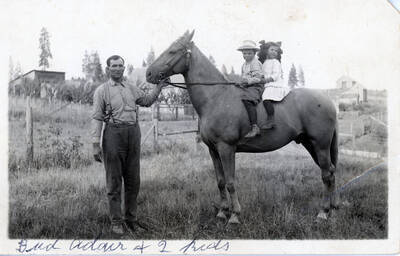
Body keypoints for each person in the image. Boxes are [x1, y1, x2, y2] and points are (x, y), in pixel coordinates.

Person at [91, 55, 168, 235]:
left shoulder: (131, 89)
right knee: (114, 180)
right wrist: (95, 143)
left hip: (133, 134)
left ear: (124, 68)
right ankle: (116, 221)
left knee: (133, 180)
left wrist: (159, 87)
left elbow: (147, 101)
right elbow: (96, 117)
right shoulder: (101, 91)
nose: (118, 69)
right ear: (108, 69)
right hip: (113, 135)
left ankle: (131, 220)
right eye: (114, 66)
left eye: (120, 66)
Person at [237, 40, 264, 138]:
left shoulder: (255, 63)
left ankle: (255, 127)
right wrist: (240, 83)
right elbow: (243, 78)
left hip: (256, 86)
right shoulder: (244, 65)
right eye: (244, 53)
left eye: (249, 53)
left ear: (254, 53)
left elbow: (258, 78)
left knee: (247, 99)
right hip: (248, 87)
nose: (246, 55)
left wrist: (247, 82)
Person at [258, 41, 289, 129]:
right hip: (267, 84)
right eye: (272, 50)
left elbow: (275, 76)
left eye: (276, 51)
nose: (274, 52)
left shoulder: (275, 62)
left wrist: (265, 80)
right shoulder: (264, 63)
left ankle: (271, 120)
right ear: (266, 51)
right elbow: (262, 74)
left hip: (274, 85)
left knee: (266, 98)